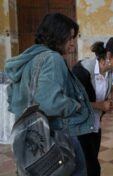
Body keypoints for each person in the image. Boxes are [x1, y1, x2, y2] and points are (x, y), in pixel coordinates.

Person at [4, 13, 96, 176]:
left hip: (28, 138)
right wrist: (75, 105)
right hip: (55, 135)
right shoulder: (53, 59)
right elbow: (50, 103)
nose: (73, 44)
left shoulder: (30, 58)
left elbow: (12, 99)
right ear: (58, 36)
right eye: (70, 38)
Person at [72, 37, 113, 176]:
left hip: (95, 125)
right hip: (80, 127)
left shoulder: (109, 72)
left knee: (91, 163)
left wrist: (106, 104)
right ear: (109, 55)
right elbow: (73, 102)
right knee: (90, 168)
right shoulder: (82, 70)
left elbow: (100, 96)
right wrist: (100, 105)